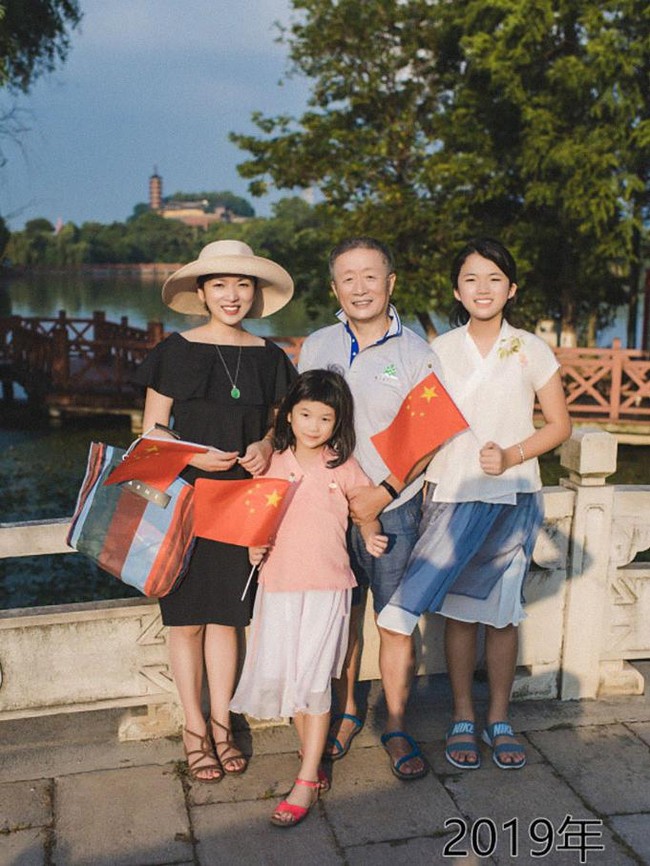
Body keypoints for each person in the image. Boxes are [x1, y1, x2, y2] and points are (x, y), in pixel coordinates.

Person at [377, 237, 572, 770]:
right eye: (471, 279)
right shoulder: (436, 351)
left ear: (512, 289)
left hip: (512, 497)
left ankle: (499, 718)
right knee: (460, 616)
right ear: (456, 291)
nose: (482, 289)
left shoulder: (531, 349)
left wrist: (512, 454)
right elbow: (416, 426)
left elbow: (559, 425)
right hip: (451, 495)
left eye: (494, 279)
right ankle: (463, 714)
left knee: (502, 616)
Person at [134, 239, 297, 783]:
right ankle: (194, 729)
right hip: (182, 499)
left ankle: (223, 726)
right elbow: (151, 433)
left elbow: (280, 426)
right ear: (201, 292)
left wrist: (267, 445)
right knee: (185, 623)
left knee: (228, 618)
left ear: (255, 292)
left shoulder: (271, 356)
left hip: (242, 500)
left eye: (242, 284)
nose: (232, 295)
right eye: (220, 284)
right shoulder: (173, 351)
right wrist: (192, 454)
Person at [298, 237, 441, 780]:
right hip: (328, 510)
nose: (360, 288)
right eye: (348, 278)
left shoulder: (417, 353)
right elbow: (300, 422)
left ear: (390, 282)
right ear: (334, 287)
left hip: (394, 508)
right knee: (342, 617)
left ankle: (397, 724)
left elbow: (431, 437)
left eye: (370, 276)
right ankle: (348, 710)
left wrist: (382, 492)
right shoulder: (317, 345)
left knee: (395, 621)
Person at [230, 369, 388, 827]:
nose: (314, 426)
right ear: (288, 415)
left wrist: (372, 534)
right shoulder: (273, 463)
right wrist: (252, 545)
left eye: (324, 418)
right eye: (305, 415)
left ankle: (305, 778)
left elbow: (364, 510)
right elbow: (256, 518)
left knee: (316, 679)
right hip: (279, 586)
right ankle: (312, 756)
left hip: (327, 587)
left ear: (338, 422)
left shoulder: (343, 465)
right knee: (292, 678)